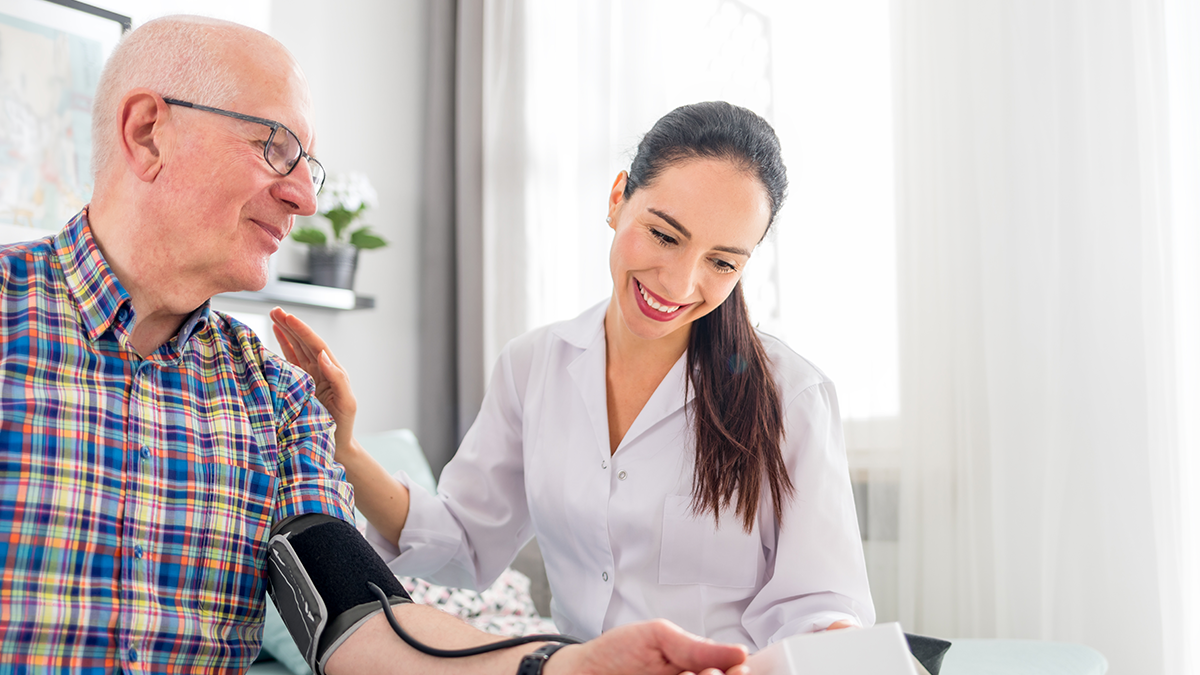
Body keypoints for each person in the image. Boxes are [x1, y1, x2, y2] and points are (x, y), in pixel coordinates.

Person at [0, 15, 753, 675]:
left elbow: (362, 624)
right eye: (274, 146)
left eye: (308, 164)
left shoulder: (275, 396)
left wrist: (559, 664)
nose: (305, 195)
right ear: (147, 131)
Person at [272, 100, 875, 651]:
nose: (679, 283)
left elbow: (822, 608)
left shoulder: (791, 395)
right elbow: (462, 541)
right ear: (618, 198)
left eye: (721, 262)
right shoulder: (532, 367)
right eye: (664, 234)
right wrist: (343, 447)